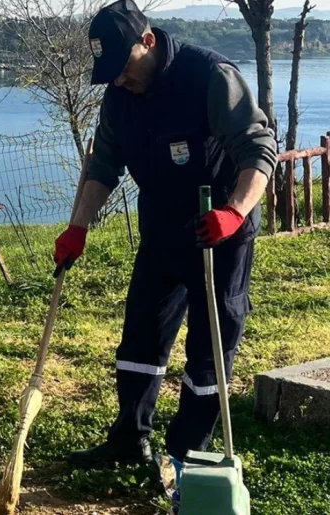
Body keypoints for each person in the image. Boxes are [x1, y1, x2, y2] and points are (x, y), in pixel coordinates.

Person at [54, 0, 277, 471]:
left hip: (219, 230)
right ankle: (130, 439)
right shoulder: (120, 95)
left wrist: (234, 212)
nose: (119, 79)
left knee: (212, 343)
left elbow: (258, 148)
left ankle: (187, 450)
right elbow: (105, 165)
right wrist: (77, 227)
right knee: (141, 336)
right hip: (162, 227)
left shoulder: (210, 75)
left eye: (124, 67)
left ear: (148, 41)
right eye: (109, 72)